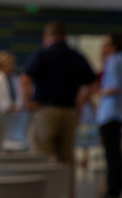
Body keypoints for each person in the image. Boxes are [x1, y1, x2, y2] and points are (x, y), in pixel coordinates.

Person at [21, 21, 97, 168]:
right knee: (66, 160)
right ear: (65, 36)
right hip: (69, 112)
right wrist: (80, 102)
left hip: (46, 110)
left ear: (47, 36)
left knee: (41, 156)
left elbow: (25, 79)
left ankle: (44, 191)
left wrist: (28, 103)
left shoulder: (42, 55)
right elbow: (93, 84)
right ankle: (66, 191)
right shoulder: (77, 57)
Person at [96, 33, 122, 198]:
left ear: (113, 46)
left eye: (105, 44)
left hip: (110, 114)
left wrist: (98, 91)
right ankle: (116, 187)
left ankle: (114, 190)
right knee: (116, 154)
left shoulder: (114, 63)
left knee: (112, 155)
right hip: (118, 114)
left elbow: (114, 88)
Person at [0, 51, 29, 148]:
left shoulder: (14, 78)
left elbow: (19, 95)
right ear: (2, 65)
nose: (11, 67)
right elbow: (0, 98)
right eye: (9, 64)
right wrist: (9, 108)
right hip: (2, 113)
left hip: (16, 114)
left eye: (12, 64)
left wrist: (18, 106)